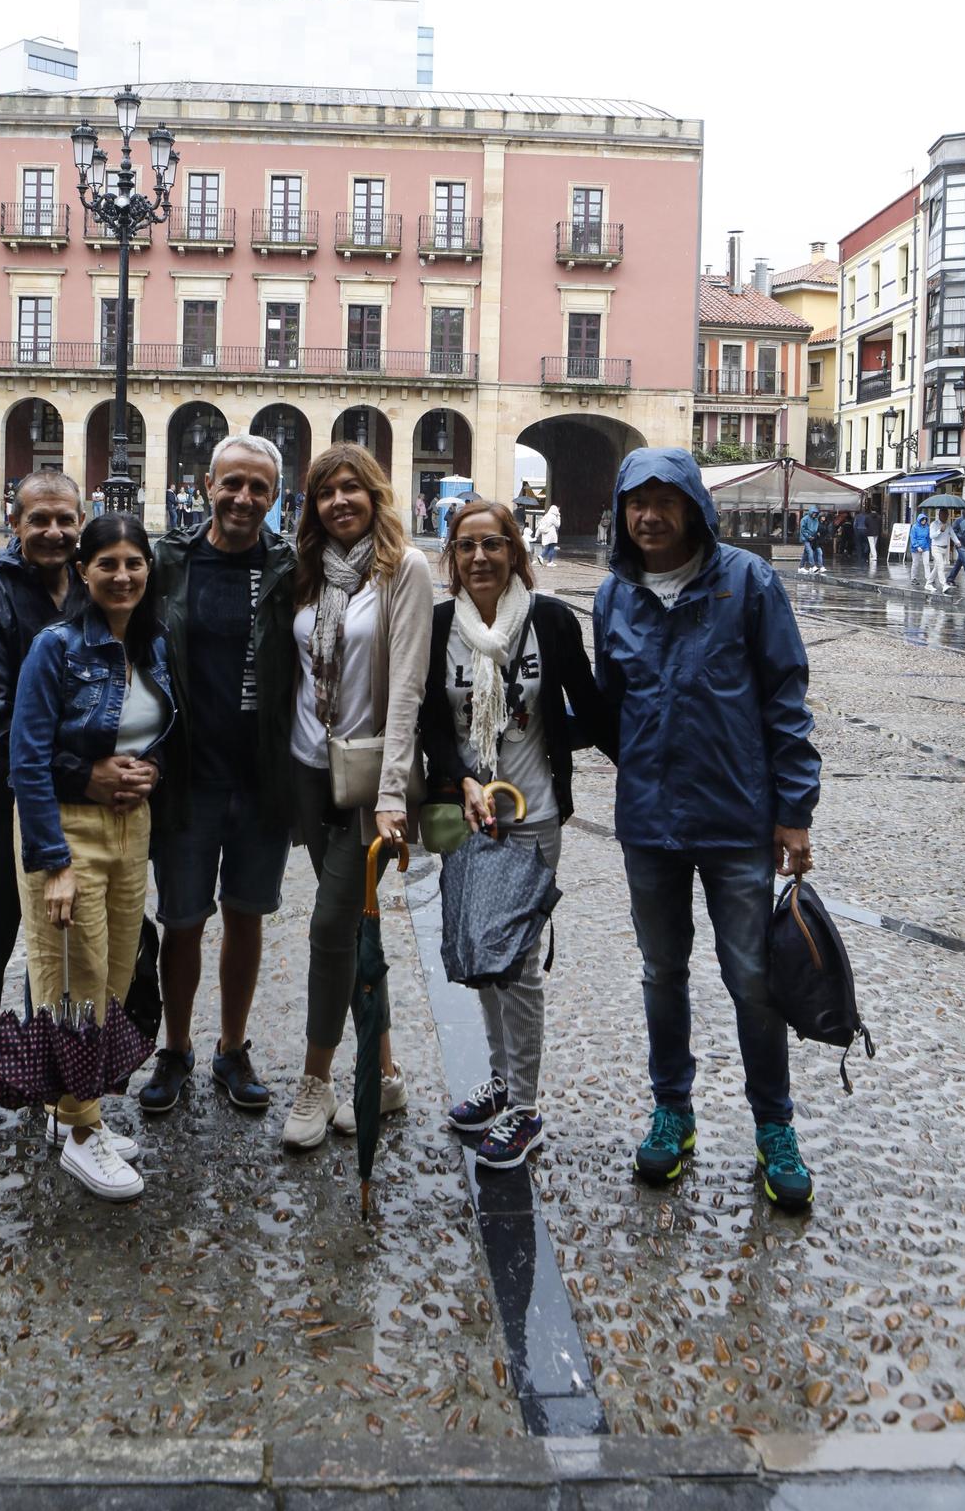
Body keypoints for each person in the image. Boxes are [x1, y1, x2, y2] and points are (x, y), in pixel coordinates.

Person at [593, 448, 821, 1211]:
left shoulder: (745, 582)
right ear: (621, 510)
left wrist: (794, 809)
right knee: (662, 973)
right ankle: (672, 1113)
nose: (649, 515)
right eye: (635, 502)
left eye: (664, 500)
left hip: (734, 819)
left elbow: (784, 696)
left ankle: (773, 1128)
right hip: (649, 824)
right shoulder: (612, 597)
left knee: (752, 980)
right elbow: (606, 709)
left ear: (693, 506)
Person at [420, 497, 615, 1168]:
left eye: (492, 544)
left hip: (531, 818)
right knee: (482, 957)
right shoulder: (437, 624)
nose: (479, 557)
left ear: (513, 552)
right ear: (452, 557)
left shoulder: (550, 621)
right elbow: (429, 725)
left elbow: (588, 709)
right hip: (468, 817)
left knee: (520, 966)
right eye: (466, 546)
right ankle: (502, 1083)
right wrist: (461, 778)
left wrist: (656, 765)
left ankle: (526, 1109)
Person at [0, 472, 110, 1155]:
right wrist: (81, 770)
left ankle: (56, 1086)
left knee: (61, 954)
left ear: (82, 520)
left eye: (65, 520)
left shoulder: (94, 594)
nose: (54, 533)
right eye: (39, 520)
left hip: (68, 807)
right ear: (14, 522)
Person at [10, 514, 174, 1202]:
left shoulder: (151, 643)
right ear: (83, 572)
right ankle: (81, 1133)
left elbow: (154, 731)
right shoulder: (55, 648)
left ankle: (71, 1110)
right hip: (69, 832)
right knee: (71, 980)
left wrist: (150, 772)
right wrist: (53, 863)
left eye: (134, 562)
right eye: (107, 563)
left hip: (129, 832)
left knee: (109, 977)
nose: (122, 575)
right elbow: (26, 757)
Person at [141, 434, 297, 1116]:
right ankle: (174, 1048)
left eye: (258, 488)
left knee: (246, 916)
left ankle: (232, 1048)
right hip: (188, 775)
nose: (243, 498)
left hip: (262, 777)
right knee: (181, 919)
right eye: (231, 484)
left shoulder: (291, 566)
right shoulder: (168, 561)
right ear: (207, 485)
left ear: (274, 495)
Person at [283, 443, 432, 1150]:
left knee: (326, 929)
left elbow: (404, 690)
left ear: (375, 495)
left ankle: (315, 1081)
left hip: (369, 782)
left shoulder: (402, 571)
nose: (339, 501)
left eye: (352, 489)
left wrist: (395, 795)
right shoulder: (306, 573)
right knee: (352, 932)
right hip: (310, 773)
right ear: (311, 506)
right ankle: (388, 1071)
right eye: (324, 493)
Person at [929, 508, 957, 596]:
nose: (946, 517)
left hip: (944, 549)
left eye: (947, 515)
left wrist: (957, 542)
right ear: (940, 515)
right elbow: (931, 536)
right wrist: (940, 531)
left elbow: (952, 534)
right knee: (941, 565)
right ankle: (944, 584)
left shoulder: (948, 525)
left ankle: (928, 583)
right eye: (945, 515)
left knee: (937, 567)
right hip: (936, 548)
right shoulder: (934, 524)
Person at [908, 511, 936, 592]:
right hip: (915, 548)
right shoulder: (914, 527)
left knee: (926, 563)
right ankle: (913, 578)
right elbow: (913, 538)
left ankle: (928, 578)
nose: (924, 521)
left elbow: (928, 537)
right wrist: (917, 546)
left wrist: (929, 546)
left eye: (925, 520)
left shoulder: (927, 527)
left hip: (925, 547)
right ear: (919, 520)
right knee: (915, 563)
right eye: (922, 520)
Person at [797, 504, 824, 574]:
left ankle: (801, 567)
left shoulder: (816, 520)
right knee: (810, 551)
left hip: (812, 538)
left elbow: (815, 529)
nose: (814, 515)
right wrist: (808, 536)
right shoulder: (804, 519)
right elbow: (803, 530)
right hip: (806, 539)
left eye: (816, 513)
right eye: (814, 513)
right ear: (811, 512)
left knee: (806, 553)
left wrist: (814, 536)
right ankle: (813, 566)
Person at [536, 502, 561, 567]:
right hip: (551, 534)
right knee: (552, 547)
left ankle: (542, 556)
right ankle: (549, 561)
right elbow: (558, 525)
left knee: (547, 547)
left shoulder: (546, 515)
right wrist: (558, 517)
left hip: (545, 533)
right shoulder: (553, 517)